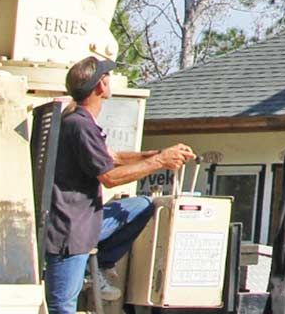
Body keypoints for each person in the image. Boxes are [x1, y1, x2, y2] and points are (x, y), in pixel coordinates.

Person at [43, 55, 196, 314]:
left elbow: (113, 158)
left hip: (84, 223)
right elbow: (110, 176)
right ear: (100, 86)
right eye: (107, 77)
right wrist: (160, 161)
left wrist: (157, 153)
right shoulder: (80, 126)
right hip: (70, 230)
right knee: (62, 306)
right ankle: (98, 264)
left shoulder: (80, 121)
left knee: (143, 204)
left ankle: (102, 262)